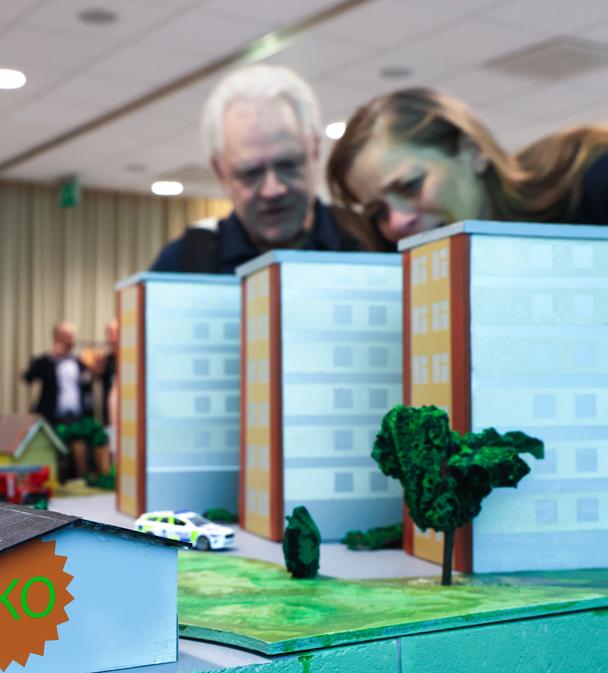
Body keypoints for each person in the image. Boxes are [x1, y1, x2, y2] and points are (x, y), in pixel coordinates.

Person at [150, 64, 380, 272]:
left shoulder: (370, 242)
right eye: (250, 173)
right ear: (220, 171)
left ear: (315, 151)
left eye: (288, 165)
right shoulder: (183, 265)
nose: (272, 190)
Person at [327, 87, 608, 247]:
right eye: (378, 212)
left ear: (472, 150)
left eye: (411, 186)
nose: (398, 222)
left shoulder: (591, 179)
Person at [23, 321, 93, 427]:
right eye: (67, 336)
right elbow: (28, 377)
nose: (71, 340)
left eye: (72, 336)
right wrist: (51, 357)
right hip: (51, 418)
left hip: (77, 419)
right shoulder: (46, 361)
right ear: (56, 338)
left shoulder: (79, 362)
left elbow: (87, 388)